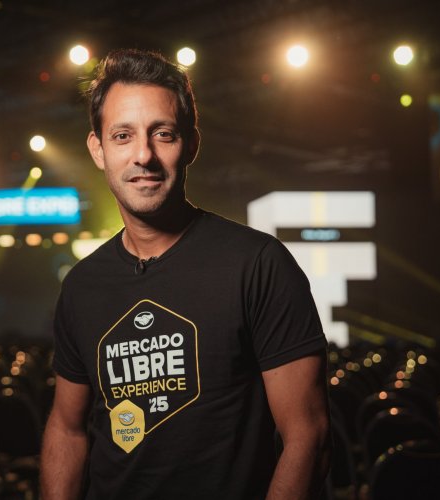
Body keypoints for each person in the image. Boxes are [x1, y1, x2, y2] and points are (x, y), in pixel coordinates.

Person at [40, 49, 331, 500]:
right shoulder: (81, 286)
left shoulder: (258, 264)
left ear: (191, 144)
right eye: (122, 136)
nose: (143, 155)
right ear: (98, 149)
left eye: (163, 134)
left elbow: (307, 435)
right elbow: (67, 428)